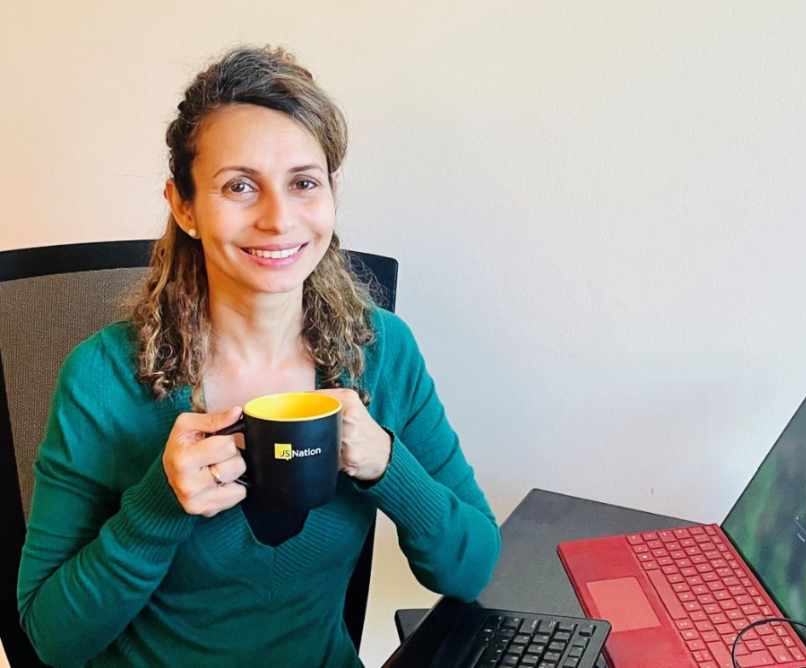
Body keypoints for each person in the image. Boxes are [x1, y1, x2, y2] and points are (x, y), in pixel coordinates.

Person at [16, 46, 501, 667]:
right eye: (240, 186)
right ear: (184, 206)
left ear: (330, 195)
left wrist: (386, 464)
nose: (279, 219)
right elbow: (53, 639)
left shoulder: (381, 352)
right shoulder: (101, 378)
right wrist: (158, 507)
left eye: (303, 183)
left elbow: (472, 567)